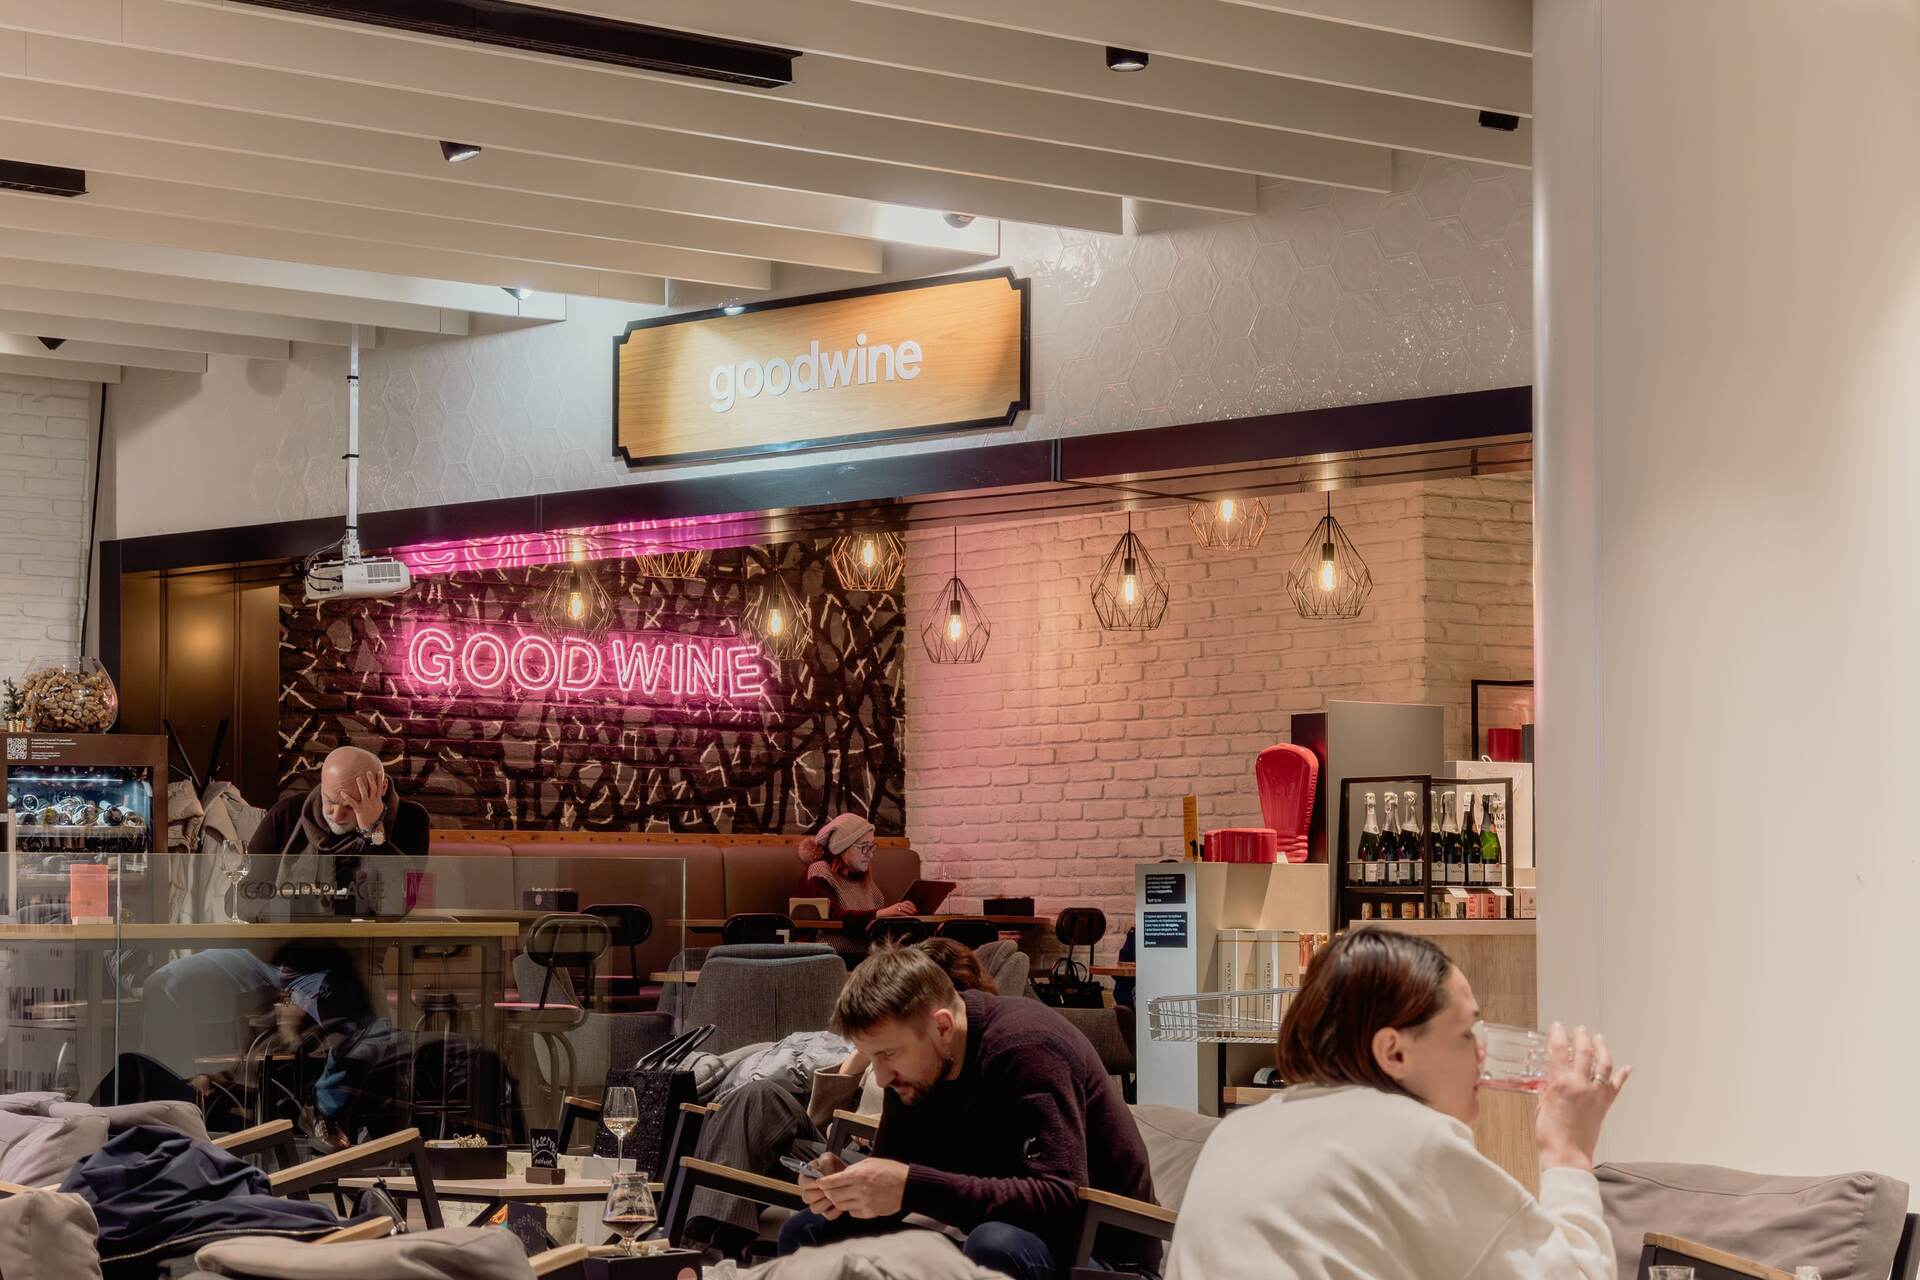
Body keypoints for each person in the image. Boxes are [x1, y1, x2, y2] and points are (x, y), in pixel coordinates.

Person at [1164, 927, 1630, 1280]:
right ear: (1394, 1052)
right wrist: (1567, 1153)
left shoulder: (1236, 1132)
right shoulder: (1411, 1139)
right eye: (1468, 1033)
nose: (1483, 1053)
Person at [776, 944, 1158, 1280]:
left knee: (995, 1244)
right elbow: (895, 1183)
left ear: (942, 1026)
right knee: (808, 1231)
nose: (881, 1075)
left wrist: (910, 1186)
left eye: (889, 1054)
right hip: (983, 1235)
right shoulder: (915, 1072)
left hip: (1098, 1252)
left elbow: (1058, 1200)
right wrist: (851, 1190)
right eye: (872, 1056)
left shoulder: (1027, 1049)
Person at [141, 747, 434, 1146]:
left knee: (369, 1032)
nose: (336, 814)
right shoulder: (289, 813)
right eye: (331, 800)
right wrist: (302, 902)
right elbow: (241, 898)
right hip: (264, 954)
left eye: (350, 806)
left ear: (380, 788)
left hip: (339, 964)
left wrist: (373, 834)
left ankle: (326, 1113)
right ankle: (174, 1106)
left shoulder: (409, 821)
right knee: (166, 983)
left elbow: (395, 904)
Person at [682, 939, 1000, 1259]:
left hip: (893, 1168)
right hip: (844, 1149)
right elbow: (820, 1115)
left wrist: (877, 1133)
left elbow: (927, 1147)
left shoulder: (957, 1061)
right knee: (756, 1096)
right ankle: (702, 1236)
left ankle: (709, 1247)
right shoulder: (882, 1056)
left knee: (756, 1118)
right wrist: (862, 1057)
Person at [798, 813, 917, 956]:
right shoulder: (819, 871)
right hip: (831, 957)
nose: (870, 854)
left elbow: (877, 910)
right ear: (842, 847)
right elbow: (833, 917)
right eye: (864, 847)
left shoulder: (861, 875)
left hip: (866, 955)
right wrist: (881, 914)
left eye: (872, 847)